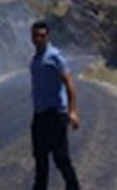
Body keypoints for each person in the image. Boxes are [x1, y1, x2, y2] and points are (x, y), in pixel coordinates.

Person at [30, 21, 81, 190]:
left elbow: (69, 83)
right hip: (40, 116)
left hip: (56, 115)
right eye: (36, 35)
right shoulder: (35, 59)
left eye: (42, 36)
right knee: (40, 157)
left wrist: (72, 111)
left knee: (60, 157)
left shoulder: (55, 56)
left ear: (48, 37)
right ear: (32, 37)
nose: (38, 39)